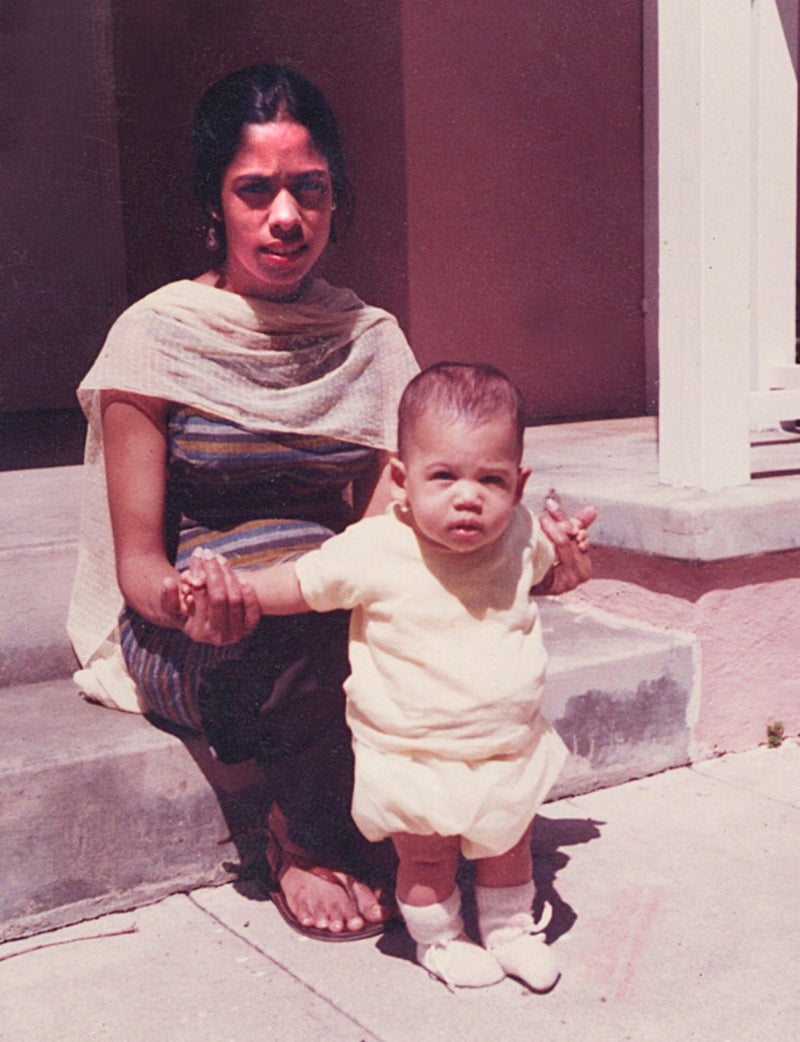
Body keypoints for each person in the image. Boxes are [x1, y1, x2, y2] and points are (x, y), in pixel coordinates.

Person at [67, 63, 420, 939]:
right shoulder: (156, 336)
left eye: (311, 189)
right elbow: (139, 563)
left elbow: (397, 518)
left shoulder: (369, 340)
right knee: (288, 638)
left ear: (336, 198)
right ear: (215, 203)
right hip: (194, 627)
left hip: (319, 607)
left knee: (395, 622)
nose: (286, 217)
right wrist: (187, 605)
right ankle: (302, 837)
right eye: (255, 191)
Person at [181, 362, 596, 989]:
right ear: (402, 480)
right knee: (426, 860)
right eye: (444, 476)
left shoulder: (519, 534)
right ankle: (441, 941)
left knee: (509, 847)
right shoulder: (376, 547)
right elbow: (300, 583)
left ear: (519, 485)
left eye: (491, 479)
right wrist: (233, 590)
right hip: (410, 752)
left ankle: (510, 932)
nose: (468, 496)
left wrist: (567, 555)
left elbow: (547, 571)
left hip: (505, 743)